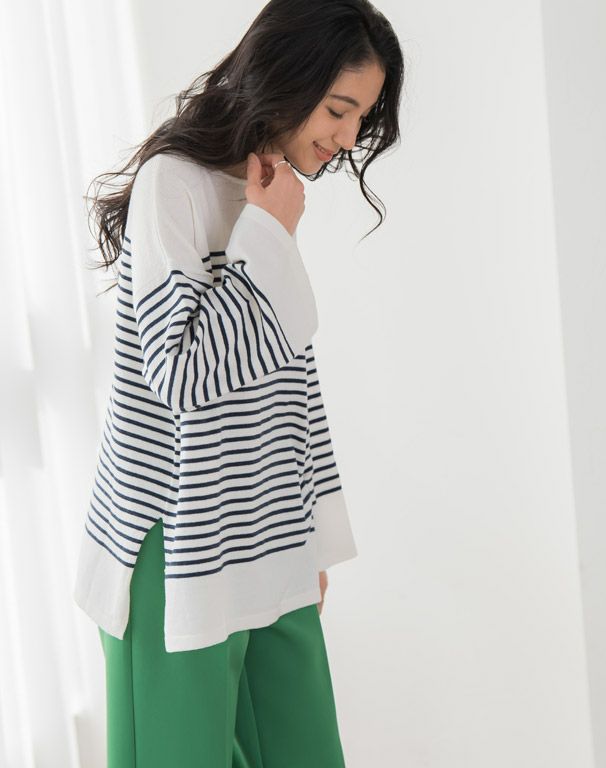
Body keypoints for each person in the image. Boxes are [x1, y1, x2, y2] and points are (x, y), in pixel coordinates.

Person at [74, 0, 404, 765]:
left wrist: (306, 533)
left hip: (265, 535)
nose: (348, 137)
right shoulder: (176, 183)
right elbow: (181, 375)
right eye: (339, 109)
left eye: (360, 117)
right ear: (289, 77)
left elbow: (286, 385)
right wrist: (267, 232)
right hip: (173, 543)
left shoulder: (265, 190)